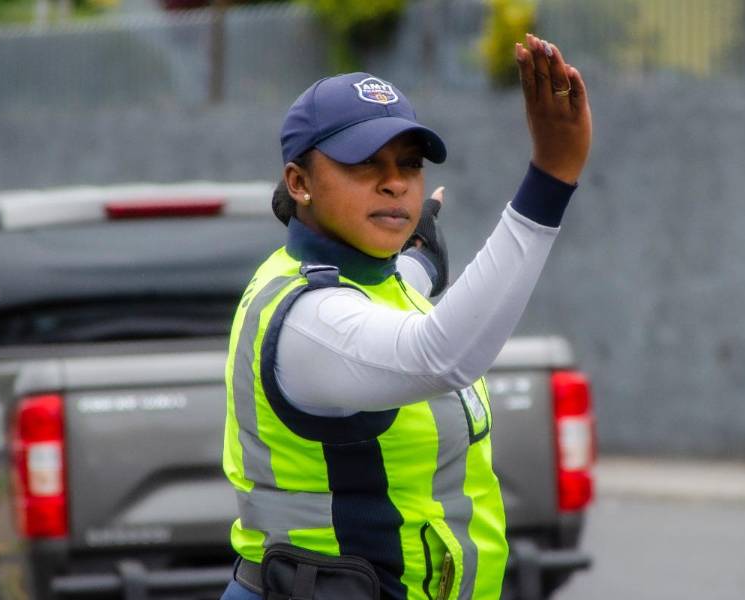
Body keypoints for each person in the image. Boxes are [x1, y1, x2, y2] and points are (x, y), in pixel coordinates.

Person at [222, 33, 592, 600]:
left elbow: (396, 293)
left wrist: (420, 262)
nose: (395, 182)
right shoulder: (308, 320)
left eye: (409, 164)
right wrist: (550, 178)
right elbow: (441, 355)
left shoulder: (369, 280)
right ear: (299, 184)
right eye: (363, 164)